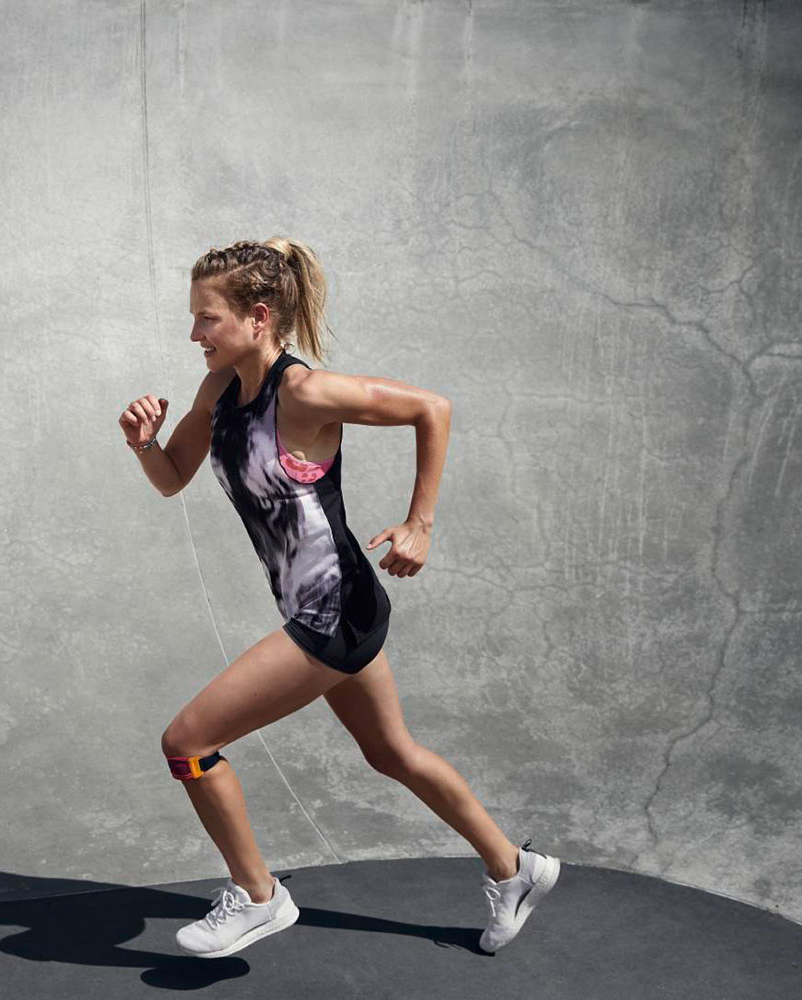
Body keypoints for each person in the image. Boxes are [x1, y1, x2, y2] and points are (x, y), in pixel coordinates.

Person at [118, 237, 560, 959]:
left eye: (207, 319)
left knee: (188, 744)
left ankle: (259, 897)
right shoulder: (219, 392)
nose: (193, 334)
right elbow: (172, 478)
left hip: (335, 612)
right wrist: (144, 442)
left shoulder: (305, 392)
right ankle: (515, 870)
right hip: (326, 609)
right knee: (393, 754)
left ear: (258, 317)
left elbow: (432, 408)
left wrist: (421, 524)